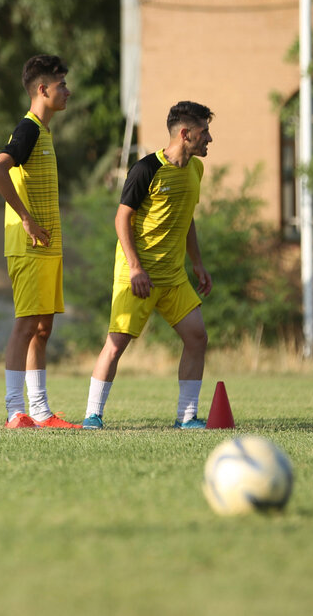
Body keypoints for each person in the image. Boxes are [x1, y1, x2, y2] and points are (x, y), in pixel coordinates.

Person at [82, 101, 215, 430]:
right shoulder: (145, 169)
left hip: (173, 277)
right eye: (204, 132)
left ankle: (186, 417)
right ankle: (92, 415)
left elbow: (188, 220)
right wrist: (135, 267)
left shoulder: (196, 170)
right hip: (137, 274)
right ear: (185, 134)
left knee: (197, 337)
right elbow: (121, 218)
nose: (209, 138)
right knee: (116, 344)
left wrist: (197, 264)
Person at [0, 55, 79, 429]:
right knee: (26, 326)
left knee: (43, 328)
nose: (67, 92)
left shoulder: (44, 131)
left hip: (47, 247)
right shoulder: (26, 130)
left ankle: (40, 412)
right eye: (61, 85)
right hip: (28, 247)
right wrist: (25, 218)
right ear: (42, 89)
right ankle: (15, 410)